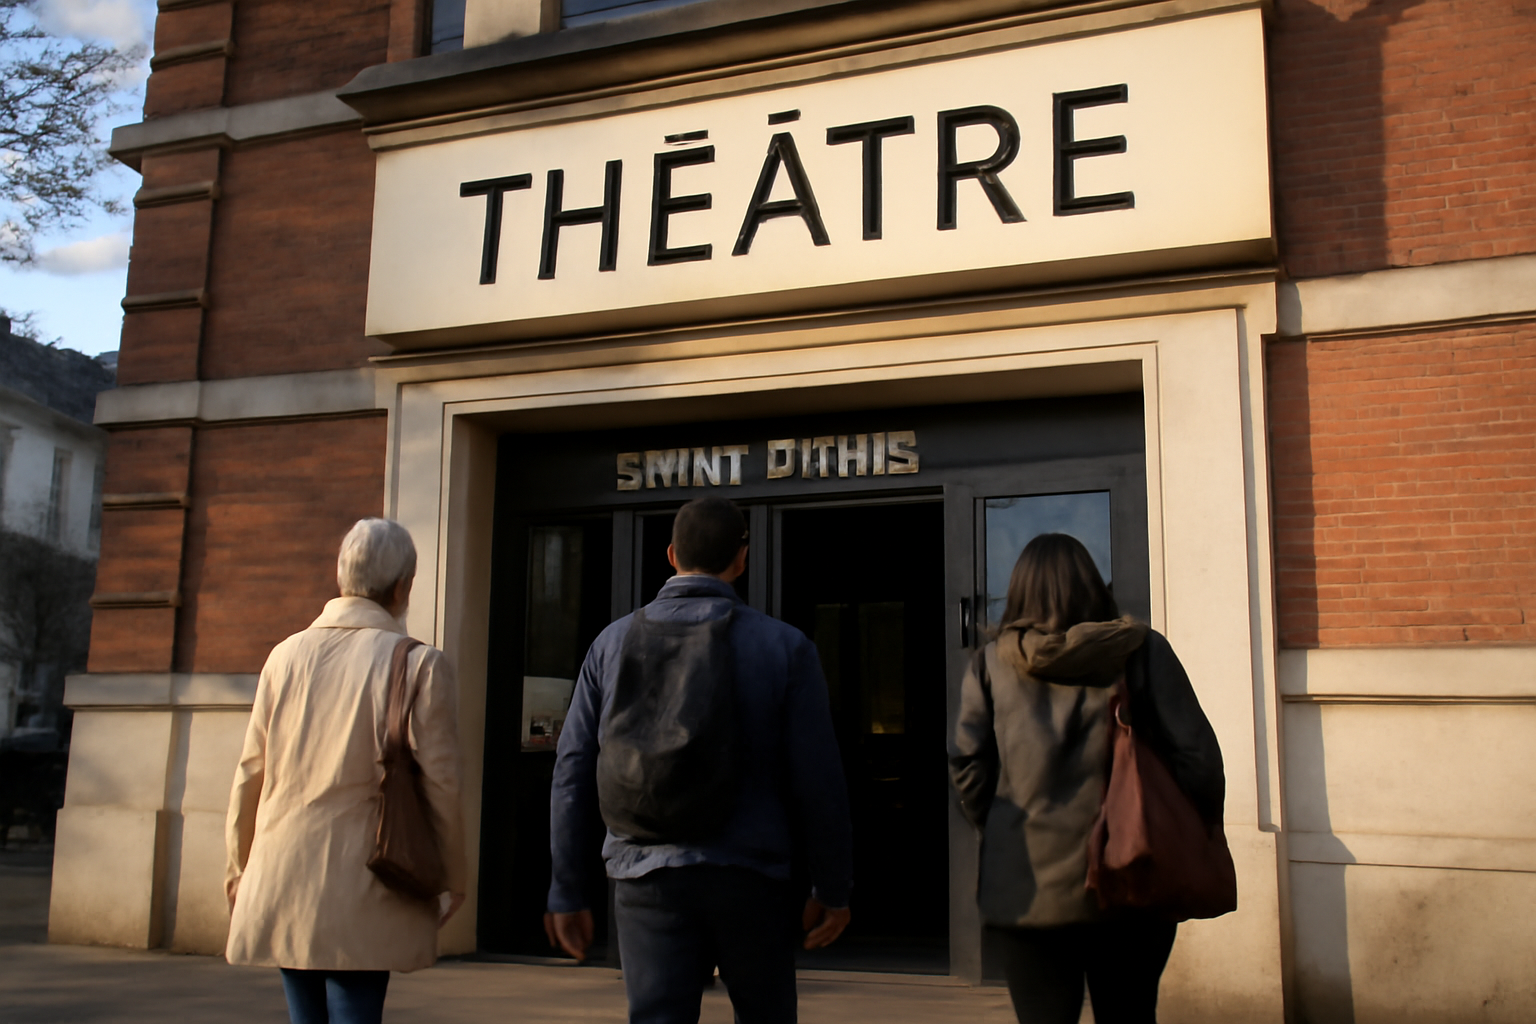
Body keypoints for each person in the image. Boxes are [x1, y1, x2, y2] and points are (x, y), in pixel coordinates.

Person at [546, 495, 853, 1024]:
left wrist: (566, 888)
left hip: (644, 872)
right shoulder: (786, 648)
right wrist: (832, 887)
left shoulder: (611, 644)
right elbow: (819, 781)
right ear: (742, 559)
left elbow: (572, 771)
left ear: (670, 555)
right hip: (751, 875)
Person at [949, 533, 1224, 1024]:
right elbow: (1198, 756)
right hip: (1134, 874)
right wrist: (1192, 828)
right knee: (1131, 1013)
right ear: (1094, 585)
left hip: (1028, 886)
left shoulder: (990, 665)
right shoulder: (1142, 650)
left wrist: (1005, 831)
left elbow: (967, 766)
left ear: (1020, 592)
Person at [225, 518, 467, 1024]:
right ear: (403, 587)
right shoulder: (419, 664)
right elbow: (441, 782)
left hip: (282, 868)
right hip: (369, 874)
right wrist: (453, 873)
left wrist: (238, 867)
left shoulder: (283, 656)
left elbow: (251, 772)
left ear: (342, 578)